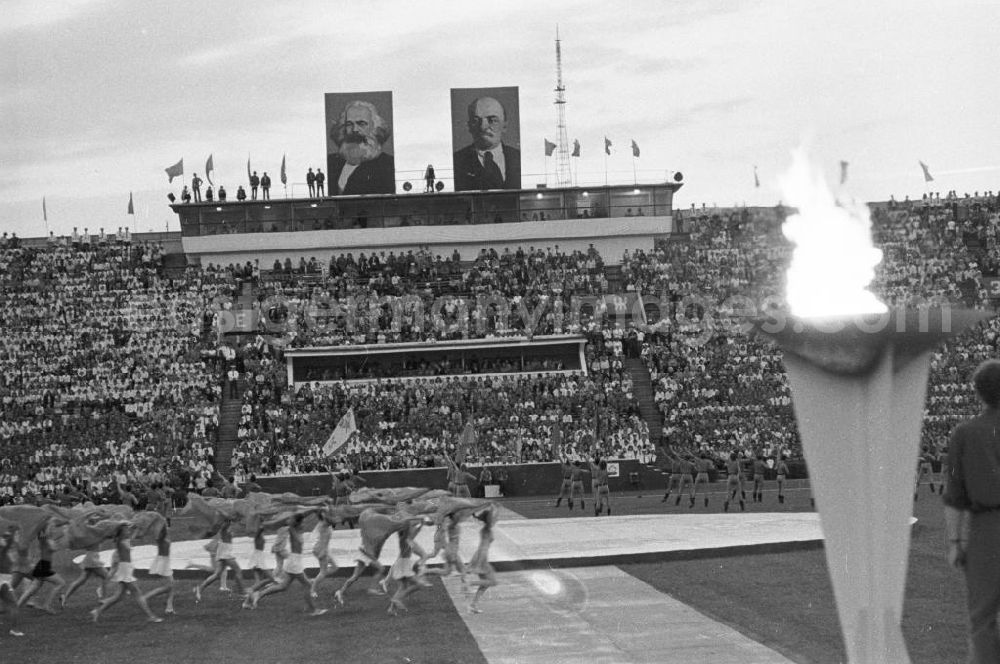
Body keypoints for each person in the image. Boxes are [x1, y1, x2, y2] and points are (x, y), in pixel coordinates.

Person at [942, 359, 1000, 663]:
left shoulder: (964, 434)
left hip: (986, 530)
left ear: (978, 392)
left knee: (982, 619)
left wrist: (955, 542)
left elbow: (954, 495)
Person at [249, 511, 326, 616]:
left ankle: (259, 594)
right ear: (297, 524)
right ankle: (311, 609)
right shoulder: (292, 530)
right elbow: (289, 522)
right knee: (307, 584)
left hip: (294, 561)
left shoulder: (298, 531)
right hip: (294, 563)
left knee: (283, 586)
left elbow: (300, 516)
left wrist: (312, 510)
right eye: (303, 523)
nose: (305, 524)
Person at [90, 523, 162, 623]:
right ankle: (151, 616)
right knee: (137, 594)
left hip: (127, 569)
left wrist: (135, 529)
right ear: (121, 533)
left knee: (119, 597)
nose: (128, 531)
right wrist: (121, 526)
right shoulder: (119, 542)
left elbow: (132, 537)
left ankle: (97, 611)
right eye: (126, 530)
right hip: (124, 570)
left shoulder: (125, 540)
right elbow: (118, 534)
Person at [327, 100, 396, 195]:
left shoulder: (388, 165)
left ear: (374, 127)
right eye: (349, 124)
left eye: (362, 124)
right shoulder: (330, 162)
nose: (354, 129)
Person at [453, 96, 522, 191]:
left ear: (504, 126)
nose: (483, 127)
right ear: (469, 126)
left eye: (492, 120)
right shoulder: (456, 162)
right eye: (476, 121)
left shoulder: (519, 158)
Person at [17, 524, 66, 614]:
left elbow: (57, 541)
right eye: (49, 528)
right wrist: (44, 525)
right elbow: (53, 546)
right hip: (43, 566)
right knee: (60, 583)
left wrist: (65, 529)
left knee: (32, 589)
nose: (51, 529)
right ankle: (47, 605)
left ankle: (16, 606)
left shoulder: (49, 539)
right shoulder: (44, 540)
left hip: (43, 566)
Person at [466, 504, 499, 613]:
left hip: (480, 556)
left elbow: (491, 519)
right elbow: (483, 548)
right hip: (482, 557)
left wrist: (494, 509)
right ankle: (469, 584)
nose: (495, 519)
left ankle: (473, 605)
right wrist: (478, 564)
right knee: (492, 581)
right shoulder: (488, 529)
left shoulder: (486, 528)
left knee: (485, 583)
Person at [141, 519, 175, 615]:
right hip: (163, 562)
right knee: (169, 586)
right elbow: (162, 532)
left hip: (164, 561)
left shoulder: (162, 537)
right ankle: (146, 597)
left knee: (172, 585)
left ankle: (169, 606)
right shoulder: (161, 538)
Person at [0, 524, 24, 637]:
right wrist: (12, 531)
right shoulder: (4, 549)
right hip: (2, 579)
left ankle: (14, 629)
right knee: (13, 604)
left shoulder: (5, 549)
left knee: (10, 604)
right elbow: (8, 543)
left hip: (4, 579)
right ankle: (14, 630)